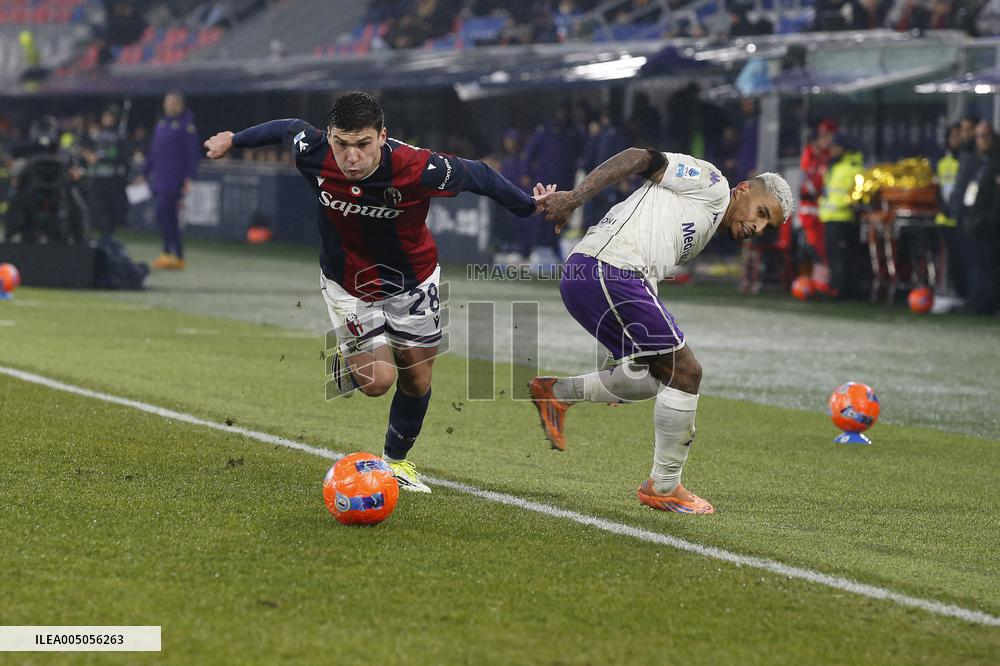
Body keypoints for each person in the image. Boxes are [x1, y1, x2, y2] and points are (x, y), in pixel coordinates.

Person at [203, 91, 554, 492]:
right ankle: (352, 353)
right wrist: (235, 139)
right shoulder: (313, 150)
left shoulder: (419, 167)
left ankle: (396, 465)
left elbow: (480, 175)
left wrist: (529, 205)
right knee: (377, 381)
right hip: (347, 284)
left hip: (413, 280)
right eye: (342, 145)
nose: (351, 157)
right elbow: (285, 128)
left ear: (382, 136)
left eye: (363, 145)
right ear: (330, 136)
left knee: (418, 378)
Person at [529, 147, 793, 514]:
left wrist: (617, 361)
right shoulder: (713, 184)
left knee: (654, 377)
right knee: (687, 372)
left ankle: (557, 394)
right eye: (761, 213)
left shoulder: (703, 222)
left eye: (767, 227)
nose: (757, 228)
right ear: (744, 189)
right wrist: (574, 198)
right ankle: (664, 487)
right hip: (608, 269)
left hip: (603, 276)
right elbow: (640, 157)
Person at [146, 90, 200, 270]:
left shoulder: (186, 126)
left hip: (174, 179)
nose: (170, 106)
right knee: (166, 217)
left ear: (181, 105)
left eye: (174, 103)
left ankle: (173, 253)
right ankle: (172, 253)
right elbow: (153, 151)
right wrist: (144, 171)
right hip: (160, 178)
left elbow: (192, 154)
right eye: (168, 103)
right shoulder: (161, 123)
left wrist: (189, 177)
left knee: (164, 213)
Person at [818, 136, 865, 299]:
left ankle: (842, 291)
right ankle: (835, 287)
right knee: (833, 256)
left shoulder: (853, 167)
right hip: (830, 218)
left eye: (835, 147)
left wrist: (850, 206)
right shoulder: (834, 167)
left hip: (844, 218)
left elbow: (859, 192)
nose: (832, 151)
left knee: (842, 257)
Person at [82, 104, 131, 239]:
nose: (107, 119)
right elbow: (85, 149)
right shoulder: (96, 135)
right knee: (96, 209)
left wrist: (102, 158)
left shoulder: (120, 136)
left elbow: (123, 157)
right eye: (106, 116)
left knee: (110, 211)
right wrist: (87, 155)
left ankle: (108, 236)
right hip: (96, 178)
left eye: (110, 116)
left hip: (112, 180)